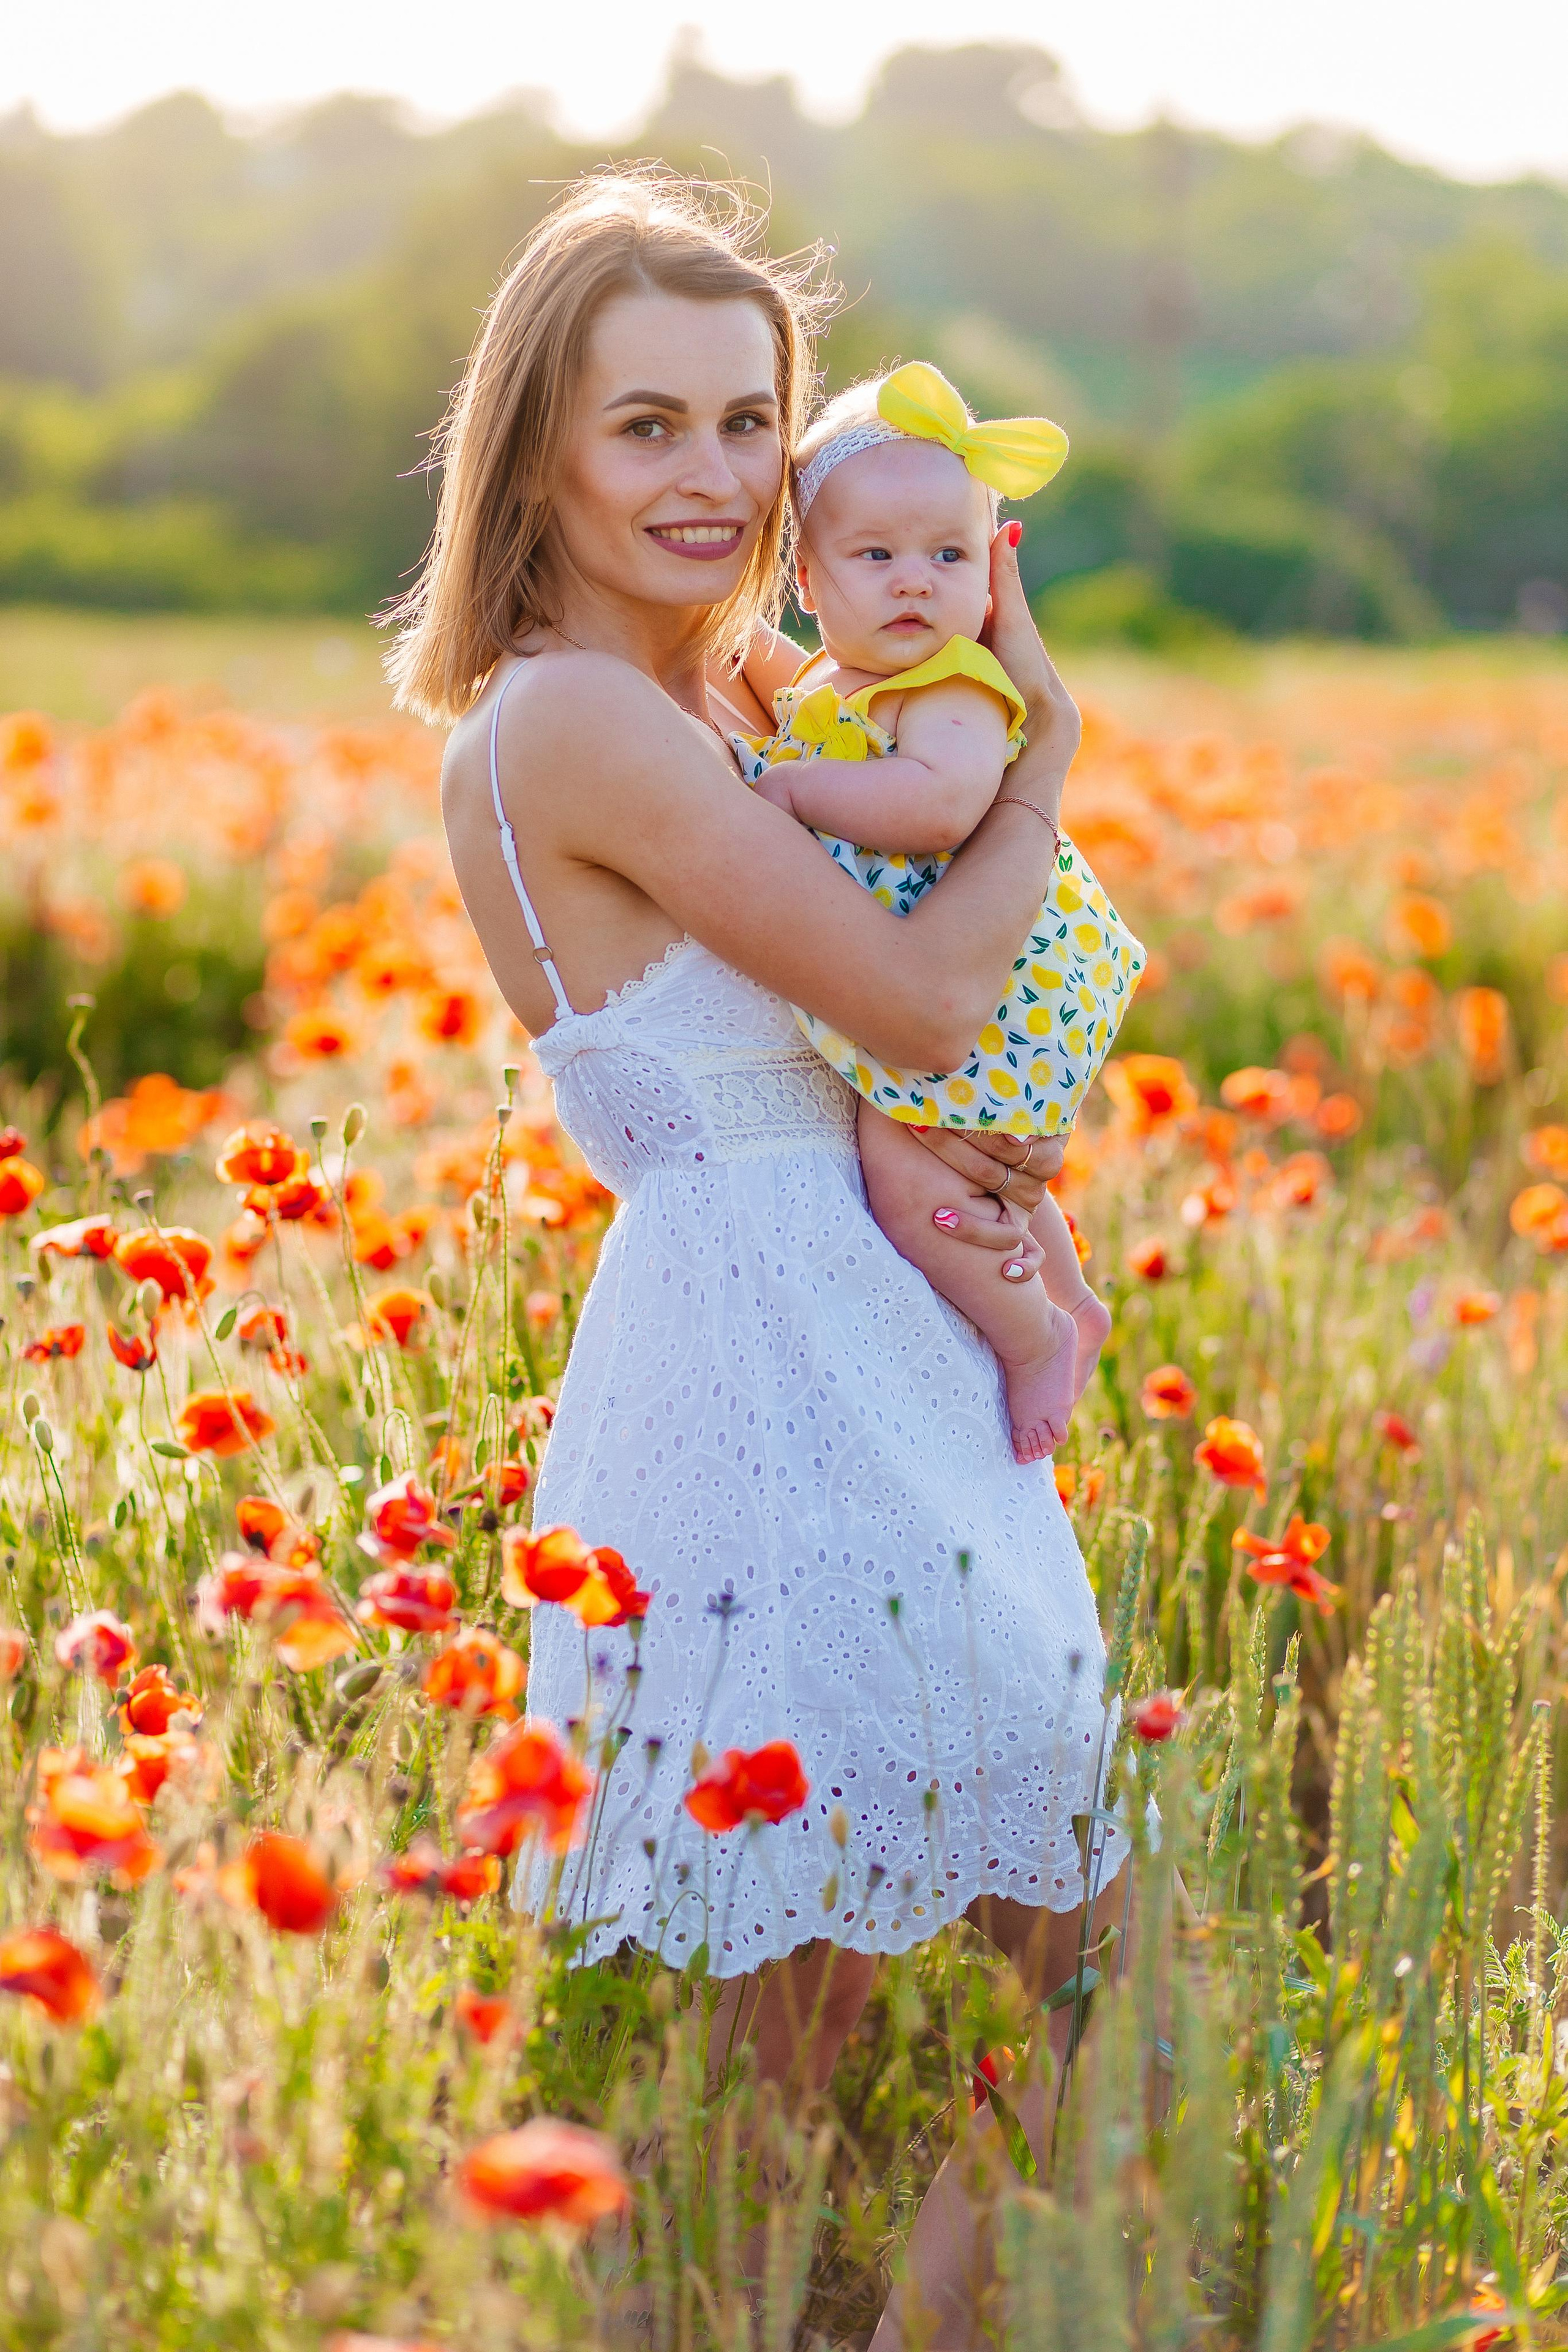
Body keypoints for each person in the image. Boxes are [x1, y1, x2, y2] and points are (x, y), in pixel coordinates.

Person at [391, 168, 1133, 2346]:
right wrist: (1046, 760)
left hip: (831, 1356)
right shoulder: (582, 719)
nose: (712, 476)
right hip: (778, 1384)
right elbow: (920, 1011)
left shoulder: (721, 698)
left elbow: (899, 1001)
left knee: (810, 2045)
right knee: (1054, 1989)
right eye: (648, 426)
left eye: (747, 422)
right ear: (538, 445)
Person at [732, 363, 1144, 1463]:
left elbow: (945, 802)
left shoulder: (953, 687)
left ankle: (1033, 1335)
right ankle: (1072, 1293)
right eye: (877, 557)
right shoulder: (837, 679)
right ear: (809, 583)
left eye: (950, 556)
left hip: (1005, 988)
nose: (915, 583)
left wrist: (794, 789)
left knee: (909, 1178)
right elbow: (780, 688)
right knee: (961, 1156)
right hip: (971, 974)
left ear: (995, 583)